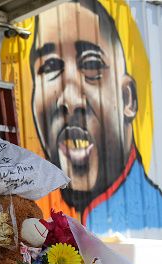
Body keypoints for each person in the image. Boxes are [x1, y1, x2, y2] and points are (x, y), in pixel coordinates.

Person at [30, 0, 162, 234]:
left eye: (91, 64)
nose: (69, 100)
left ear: (127, 97)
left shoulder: (153, 221)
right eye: (50, 66)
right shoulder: (30, 218)